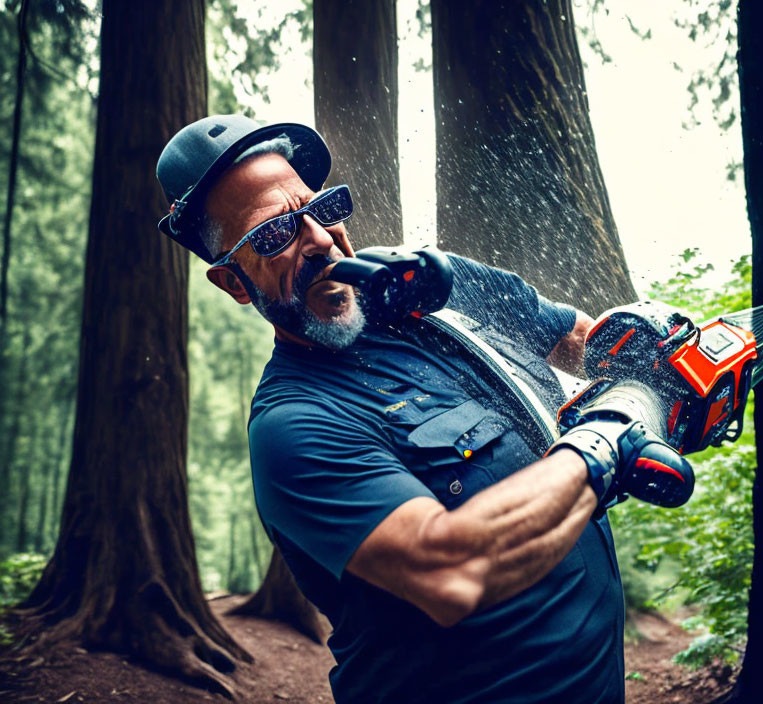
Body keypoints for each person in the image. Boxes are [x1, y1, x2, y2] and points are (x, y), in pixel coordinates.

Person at [156, 114, 689, 704]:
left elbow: (570, 337)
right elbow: (452, 571)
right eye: (274, 234)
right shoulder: (293, 425)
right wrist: (604, 442)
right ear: (233, 283)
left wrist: (658, 367)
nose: (321, 238)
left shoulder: (429, 284)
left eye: (324, 207)